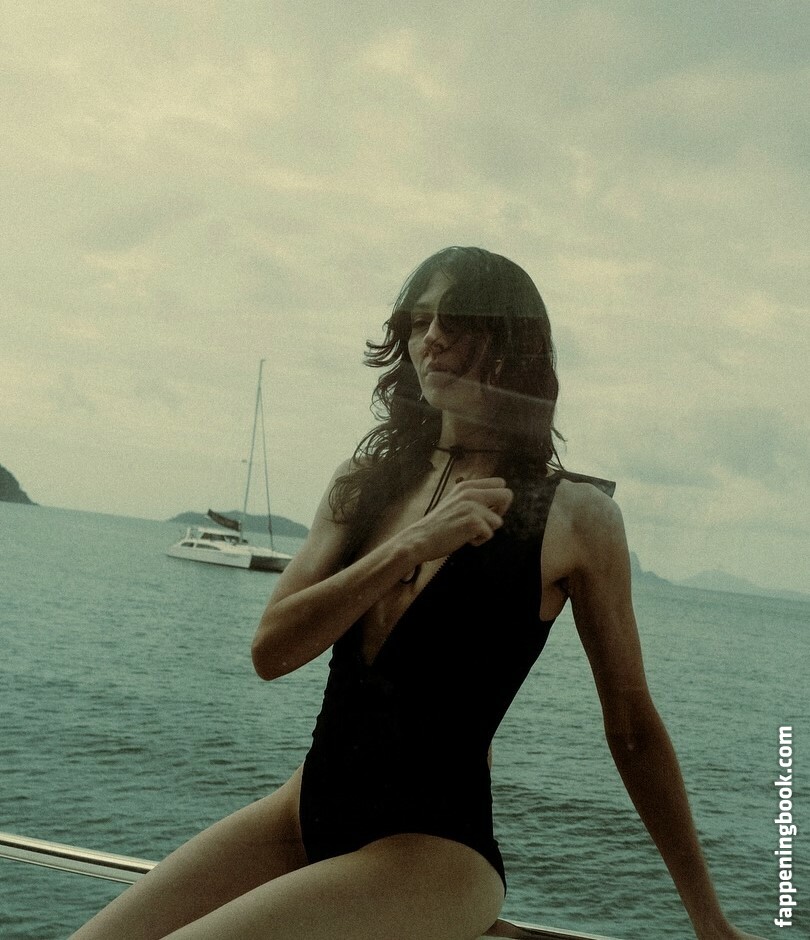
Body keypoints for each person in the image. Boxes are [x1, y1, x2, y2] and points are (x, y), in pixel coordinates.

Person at [70, 247, 765, 940]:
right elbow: (271, 651)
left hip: (435, 851)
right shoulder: (363, 484)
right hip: (301, 812)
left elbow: (632, 727)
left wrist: (709, 921)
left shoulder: (576, 518)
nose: (430, 338)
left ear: (511, 343)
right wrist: (409, 546)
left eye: (455, 321)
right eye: (418, 320)